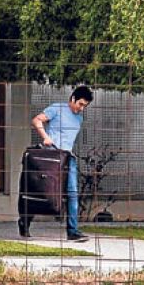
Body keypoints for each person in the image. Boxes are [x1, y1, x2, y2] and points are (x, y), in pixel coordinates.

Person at [31, 85, 93, 242]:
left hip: (67, 157)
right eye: (80, 104)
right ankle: (25, 221)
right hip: (52, 154)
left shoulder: (79, 117)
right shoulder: (57, 109)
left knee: (72, 193)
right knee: (42, 190)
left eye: (85, 106)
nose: (81, 109)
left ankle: (72, 231)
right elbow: (37, 120)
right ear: (72, 99)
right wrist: (45, 137)